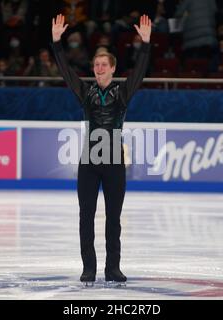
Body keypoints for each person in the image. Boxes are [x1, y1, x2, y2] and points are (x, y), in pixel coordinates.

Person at [50, 14, 151, 285]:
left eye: (103, 64)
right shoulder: (85, 92)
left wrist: (146, 44)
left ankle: (113, 268)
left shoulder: (123, 92)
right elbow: (66, 73)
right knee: (86, 217)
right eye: (95, 64)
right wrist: (57, 43)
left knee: (113, 220)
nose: (98, 68)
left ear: (113, 69)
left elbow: (140, 72)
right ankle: (89, 268)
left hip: (114, 162)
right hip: (90, 161)